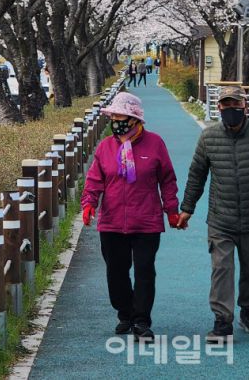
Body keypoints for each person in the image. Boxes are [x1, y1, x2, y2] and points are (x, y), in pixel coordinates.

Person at [178, 87, 249, 343]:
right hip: (220, 218)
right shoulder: (209, 137)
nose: (231, 110)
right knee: (221, 269)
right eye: (226, 106)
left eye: (235, 105)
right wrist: (187, 208)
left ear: (244, 107)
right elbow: (197, 175)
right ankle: (222, 321)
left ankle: (248, 310)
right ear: (219, 109)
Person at [81, 92, 182, 341]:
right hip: (112, 222)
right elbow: (95, 179)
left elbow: (167, 180)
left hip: (146, 221)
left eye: (121, 116)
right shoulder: (105, 147)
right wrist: (89, 204)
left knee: (145, 271)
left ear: (135, 120)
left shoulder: (155, 144)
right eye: (114, 116)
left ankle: (141, 321)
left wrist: (171, 210)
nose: (117, 121)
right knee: (116, 272)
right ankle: (124, 313)